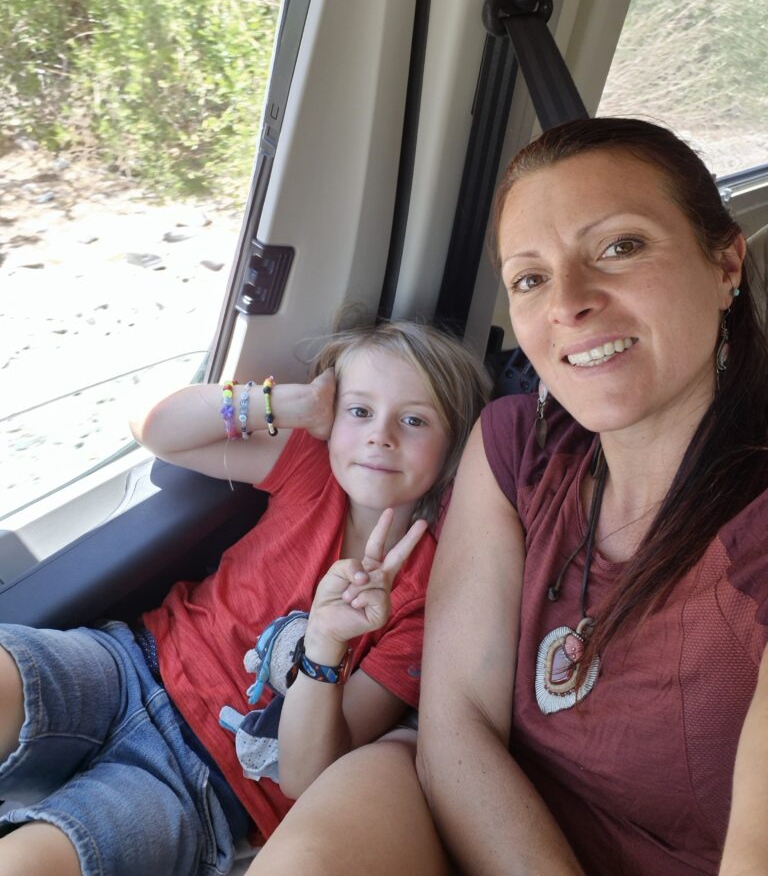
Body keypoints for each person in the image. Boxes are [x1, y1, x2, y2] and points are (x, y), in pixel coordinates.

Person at [248, 117, 768, 876]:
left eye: (620, 246)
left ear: (725, 264)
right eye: (530, 278)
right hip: (454, 815)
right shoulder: (516, 446)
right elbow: (454, 723)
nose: (569, 302)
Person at [0, 319, 490, 876]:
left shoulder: (428, 599)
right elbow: (153, 426)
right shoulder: (312, 468)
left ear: (455, 446)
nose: (381, 436)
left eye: (414, 420)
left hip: (207, 783)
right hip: (131, 665)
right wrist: (292, 404)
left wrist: (325, 642)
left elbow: (306, 776)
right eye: (359, 411)